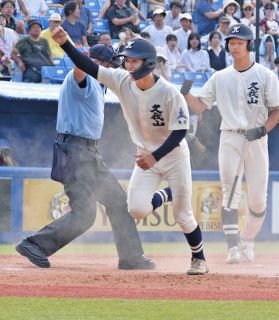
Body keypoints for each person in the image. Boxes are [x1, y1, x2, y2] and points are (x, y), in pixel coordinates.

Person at [51, 28, 209, 275]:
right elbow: (89, 66)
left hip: (174, 156)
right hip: (145, 156)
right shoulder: (122, 80)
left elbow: (180, 132)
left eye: (133, 60)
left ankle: (199, 258)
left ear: (147, 64)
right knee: (135, 209)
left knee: (183, 214)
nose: (128, 64)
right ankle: (164, 196)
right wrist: (65, 44)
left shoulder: (169, 92)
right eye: (127, 59)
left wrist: (155, 156)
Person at [15, 44, 166, 270]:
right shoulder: (82, 78)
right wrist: (82, 61)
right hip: (74, 151)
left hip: (88, 152)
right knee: (85, 214)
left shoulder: (100, 84)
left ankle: (131, 257)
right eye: (106, 64)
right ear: (95, 62)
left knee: (117, 200)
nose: (111, 69)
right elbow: (79, 72)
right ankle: (34, 244)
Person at [181, 23, 279, 264]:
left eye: (239, 42)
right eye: (231, 42)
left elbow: (276, 111)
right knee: (229, 192)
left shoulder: (266, 75)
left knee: (258, 200)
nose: (234, 46)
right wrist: (185, 94)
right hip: (230, 136)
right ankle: (232, 247)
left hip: (256, 137)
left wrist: (262, 129)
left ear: (249, 45)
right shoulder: (220, 76)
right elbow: (200, 106)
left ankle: (247, 239)